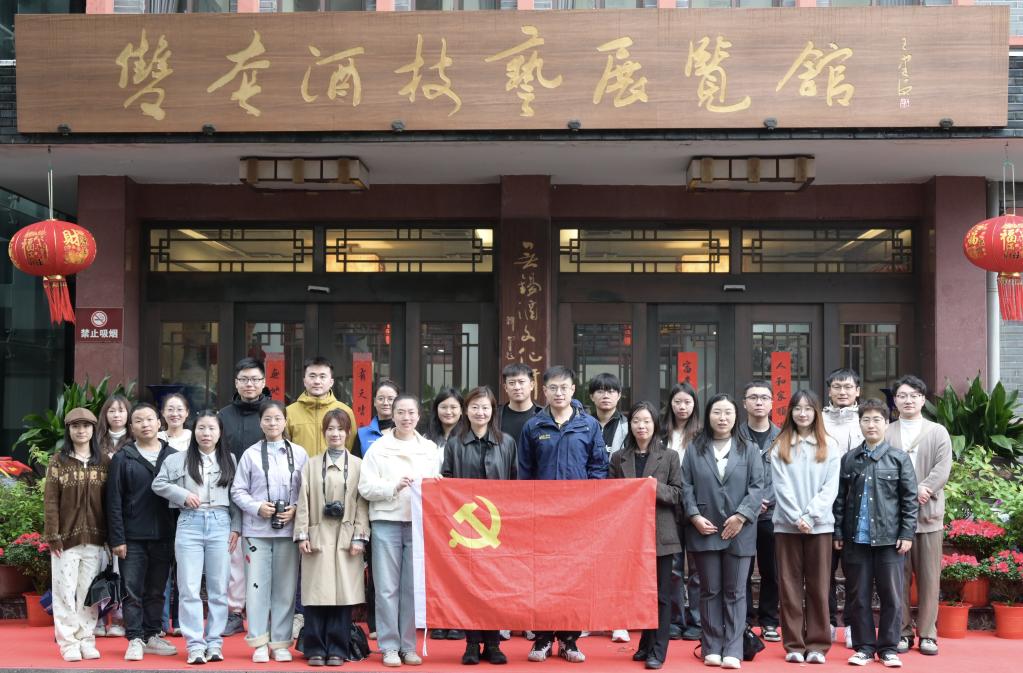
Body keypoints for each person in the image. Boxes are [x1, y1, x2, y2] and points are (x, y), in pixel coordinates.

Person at [519, 365, 608, 664]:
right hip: (542, 516)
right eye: (553, 388)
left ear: (573, 390)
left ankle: (569, 639)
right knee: (543, 575)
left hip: (578, 516)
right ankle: (543, 637)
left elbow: (598, 468)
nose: (559, 393)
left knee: (575, 576)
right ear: (544, 391)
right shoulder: (533, 426)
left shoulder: (589, 425)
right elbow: (525, 472)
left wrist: (589, 504)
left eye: (564, 387)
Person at [680, 393, 764, 670]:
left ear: (736, 416)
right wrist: (694, 516)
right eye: (717, 412)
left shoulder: (749, 449)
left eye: (728, 412)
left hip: (740, 531)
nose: (723, 418)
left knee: (735, 592)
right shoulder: (695, 449)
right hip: (705, 528)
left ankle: (733, 649)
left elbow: (757, 487)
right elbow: (685, 486)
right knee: (709, 590)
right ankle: (712, 646)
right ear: (708, 416)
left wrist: (741, 516)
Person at [358, 394, 441, 667]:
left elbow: (435, 485)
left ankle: (408, 646)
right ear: (392, 415)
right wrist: (393, 487)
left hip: (418, 524)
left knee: (411, 589)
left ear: (419, 415)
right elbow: (365, 488)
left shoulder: (429, 449)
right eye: (401, 412)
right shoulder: (378, 448)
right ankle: (389, 646)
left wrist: (437, 484)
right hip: (386, 521)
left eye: (411, 412)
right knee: (386, 588)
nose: (406, 418)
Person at [834, 399, 918, 668]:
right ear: (859, 423)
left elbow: (910, 500)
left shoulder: (899, 458)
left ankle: (889, 648)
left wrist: (907, 533)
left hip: (889, 541)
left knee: (891, 596)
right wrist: (838, 532)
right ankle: (865, 648)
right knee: (858, 597)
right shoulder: (849, 459)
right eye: (866, 420)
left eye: (877, 420)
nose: (871, 425)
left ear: (886, 423)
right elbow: (840, 500)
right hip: (856, 539)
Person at [152, 410, 241, 665]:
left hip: (220, 523)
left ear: (220, 432)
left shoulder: (229, 459)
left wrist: (236, 527)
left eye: (212, 428)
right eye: (201, 428)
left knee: (218, 588)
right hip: (189, 523)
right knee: (189, 587)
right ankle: (194, 645)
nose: (206, 433)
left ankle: (214, 642)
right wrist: (182, 495)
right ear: (194, 431)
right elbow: (158, 484)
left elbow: (236, 496)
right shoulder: (177, 459)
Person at [442, 386, 516, 666]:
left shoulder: (507, 443)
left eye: (485, 407)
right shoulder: (455, 444)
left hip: (498, 527)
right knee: (470, 585)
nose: (480, 412)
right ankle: (472, 643)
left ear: (493, 411)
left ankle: (493, 643)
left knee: (495, 584)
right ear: (466, 410)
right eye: (475, 407)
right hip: (466, 528)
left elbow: (515, 482)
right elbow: (447, 482)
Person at [231, 400, 309, 663]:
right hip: (256, 531)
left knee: (285, 589)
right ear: (260, 423)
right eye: (267, 419)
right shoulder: (250, 454)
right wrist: (257, 507)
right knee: (256, 588)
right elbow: (237, 490)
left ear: (285, 421)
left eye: (277, 418)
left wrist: (295, 509)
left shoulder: (299, 454)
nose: (273, 423)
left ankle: (281, 642)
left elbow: (307, 491)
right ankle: (259, 642)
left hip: (287, 531)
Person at [294, 409, 370, 667]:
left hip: (347, 537)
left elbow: (362, 504)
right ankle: (315, 648)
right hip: (317, 535)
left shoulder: (359, 465)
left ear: (348, 432)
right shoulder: (311, 464)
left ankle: (338, 648)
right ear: (324, 432)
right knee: (316, 594)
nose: (335, 433)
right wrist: (302, 534)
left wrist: (360, 536)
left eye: (340, 429)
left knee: (342, 595)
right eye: (330, 429)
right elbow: (303, 501)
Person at [769, 390, 840, 665]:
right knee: (789, 587)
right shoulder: (780, 445)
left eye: (808, 408)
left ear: (816, 413)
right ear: (790, 412)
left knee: (819, 587)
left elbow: (830, 487)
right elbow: (780, 487)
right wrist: (796, 516)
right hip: (786, 526)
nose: (802, 413)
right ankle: (794, 644)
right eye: (797, 408)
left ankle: (818, 645)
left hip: (819, 527)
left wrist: (810, 517)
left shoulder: (829, 445)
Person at [610, 401, 682, 671]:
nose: (641, 426)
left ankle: (658, 650)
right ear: (630, 425)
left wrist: (652, 487)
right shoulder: (619, 457)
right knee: (639, 592)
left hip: (661, 535)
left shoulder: (670, 456)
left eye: (647, 421)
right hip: (630, 536)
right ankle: (645, 642)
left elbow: (677, 494)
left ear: (655, 425)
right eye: (636, 421)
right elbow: (610, 495)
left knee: (661, 595)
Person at [106, 403, 179, 661]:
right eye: (138, 420)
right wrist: (117, 538)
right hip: (132, 537)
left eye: (149, 419)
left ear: (159, 423)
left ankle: (152, 634)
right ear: (131, 427)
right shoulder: (123, 457)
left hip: (165, 535)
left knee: (157, 589)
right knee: (132, 589)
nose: (145, 424)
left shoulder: (174, 456)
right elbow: (113, 501)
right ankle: (135, 638)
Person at [886, 375, 951, 657]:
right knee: (897, 579)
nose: (908, 400)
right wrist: (906, 494)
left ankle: (928, 634)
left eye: (914, 395)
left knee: (929, 579)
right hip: (895, 518)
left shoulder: (938, 432)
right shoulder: (887, 432)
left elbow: (942, 468)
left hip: (928, 516)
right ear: (895, 400)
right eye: (902, 395)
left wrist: (922, 489)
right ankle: (901, 632)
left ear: (923, 400)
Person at [44, 407, 109, 662]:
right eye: (75, 426)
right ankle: (68, 642)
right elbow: (50, 501)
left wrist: (110, 538)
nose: (81, 430)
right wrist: (53, 535)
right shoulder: (58, 461)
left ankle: (86, 639)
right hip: (65, 539)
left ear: (93, 429)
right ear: (68, 430)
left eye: (86, 426)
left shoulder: (104, 461)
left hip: (96, 539)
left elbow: (110, 502)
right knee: (64, 592)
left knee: (88, 593)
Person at [219, 357, 272, 637]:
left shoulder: (273, 413)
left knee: (266, 556)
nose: (249, 384)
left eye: (254, 379)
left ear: (263, 382)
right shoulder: (222, 416)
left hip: (266, 497)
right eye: (244, 380)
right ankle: (235, 611)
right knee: (235, 557)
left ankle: (266, 612)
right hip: (229, 494)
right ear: (236, 383)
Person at [822, 368, 863, 648]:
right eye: (837, 387)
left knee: (855, 570)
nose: (842, 392)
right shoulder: (819, 419)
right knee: (824, 569)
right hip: (823, 503)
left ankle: (851, 623)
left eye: (848, 387)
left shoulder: (866, 419)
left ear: (857, 391)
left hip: (855, 504)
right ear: (829, 391)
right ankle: (825, 622)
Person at [659, 382, 702, 642]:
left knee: (697, 567)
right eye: (677, 402)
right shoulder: (661, 432)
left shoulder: (702, 434)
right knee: (673, 567)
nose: (682, 407)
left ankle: (697, 620)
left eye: (687, 402)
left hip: (696, 505)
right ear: (670, 404)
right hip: (668, 505)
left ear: (694, 404)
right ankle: (675, 619)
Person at [739, 380, 781, 644]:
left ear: (772, 403)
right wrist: (750, 502)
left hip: (772, 514)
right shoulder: (735, 435)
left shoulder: (783, 436)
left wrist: (767, 499)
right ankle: (742, 619)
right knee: (742, 569)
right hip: (742, 514)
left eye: (764, 397)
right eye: (753, 397)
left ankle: (769, 621)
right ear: (744, 403)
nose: (758, 402)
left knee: (771, 570)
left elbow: (788, 475)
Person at [424, 387, 466, 641]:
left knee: (458, 566)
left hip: (460, 510)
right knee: (437, 566)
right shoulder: (425, 438)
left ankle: (457, 619)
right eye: (443, 407)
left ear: (461, 410)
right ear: (436, 409)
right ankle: (438, 618)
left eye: (453, 407)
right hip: (433, 511)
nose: (448, 412)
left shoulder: (467, 437)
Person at [94, 394, 132, 639]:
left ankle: (118, 617)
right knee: (98, 565)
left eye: (121, 410)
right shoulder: (95, 441)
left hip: (124, 512)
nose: (117, 415)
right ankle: (97, 616)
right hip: (97, 510)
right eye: (112, 411)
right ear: (104, 415)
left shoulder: (135, 441)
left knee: (120, 565)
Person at [157, 392, 191, 638]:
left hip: (188, 509)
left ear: (187, 413)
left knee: (184, 568)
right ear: (162, 413)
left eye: (179, 409)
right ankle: (160, 621)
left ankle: (179, 621)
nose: (175, 413)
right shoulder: (156, 438)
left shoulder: (194, 438)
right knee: (162, 567)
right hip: (160, 509)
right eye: (170, 409)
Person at [287, 356, 357, 457]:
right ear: (304, 381)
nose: (317, 381)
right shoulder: (289, 412)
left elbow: (350, 446)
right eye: (312, 376)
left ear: (331, 382)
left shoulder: (345, 411)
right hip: (301, 467)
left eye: (322, 376)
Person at [495, 363, 542, 448]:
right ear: (505, 387)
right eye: (512, 383)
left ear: (532, 385)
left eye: (521, 382)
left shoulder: (544, 415)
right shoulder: (495, 416)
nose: (517, 387)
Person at [354, 379, 401, 457]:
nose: (385, 403)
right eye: (381, 398)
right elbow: (355, 462)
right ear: (375, 402)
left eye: (390, 399)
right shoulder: (362, 434)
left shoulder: (404, 431)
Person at [589, 373, 628, 455]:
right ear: (592, 396)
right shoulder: (584, 425)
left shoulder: (627, 426)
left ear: (619, 396)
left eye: (611, 391)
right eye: (600, 391)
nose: (606, 396)